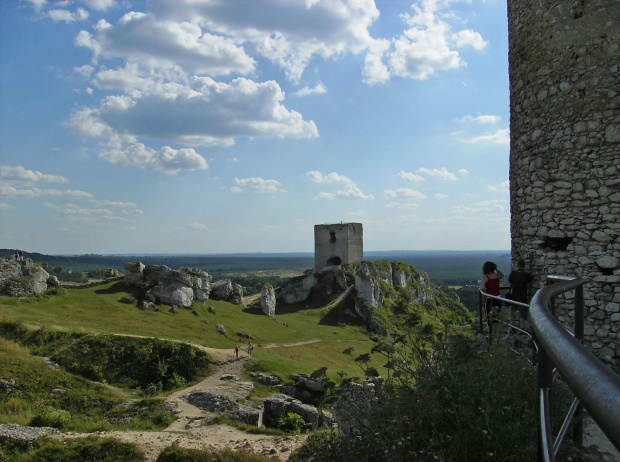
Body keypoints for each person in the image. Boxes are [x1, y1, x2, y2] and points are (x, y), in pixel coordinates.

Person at [480, 261, 504, 336]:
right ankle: (496, 334)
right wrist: (496, 269)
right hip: (498, 298)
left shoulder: (485, 276)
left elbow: (482, 287)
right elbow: (502, 275)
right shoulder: (496, 275)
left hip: (490, 299)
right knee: (496, 318)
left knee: (490, 318)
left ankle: (491, 335)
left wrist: (480, 288)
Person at [508, 259, 534, 329]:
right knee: (522, 312)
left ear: (517, 266)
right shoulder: (525, 275)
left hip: (514, 294)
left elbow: (510, 280)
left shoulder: (513, 274)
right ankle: (522, 328)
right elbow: (530, 279)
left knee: (513, 310)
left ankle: (512, 326)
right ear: (524, 266)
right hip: (522, 295)